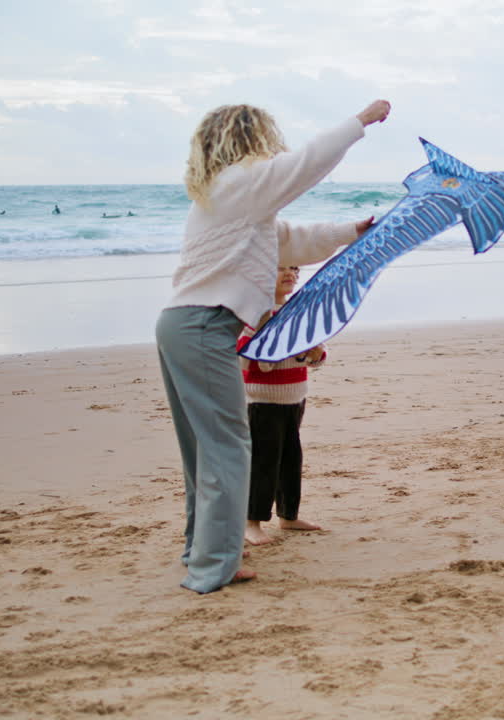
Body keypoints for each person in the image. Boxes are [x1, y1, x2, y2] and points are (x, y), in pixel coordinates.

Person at [155, 99, 391, 593]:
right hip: (202, 327)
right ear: (247, 140)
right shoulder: (241, 186)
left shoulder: (228, 198)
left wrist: (352, 232)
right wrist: (359, 123)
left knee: (204, 450)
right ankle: (215, 565)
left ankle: (201, 550)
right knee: (227, 448)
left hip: (183, 326)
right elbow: (304, 164)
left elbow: (288, 240)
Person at [236, 265, 331, 546]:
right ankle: (251, 521)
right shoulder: (254, 313)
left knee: (291, 459)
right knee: (263, 461)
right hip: (263, 399)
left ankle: (289, 515)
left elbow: (319, 353)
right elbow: (246, 358)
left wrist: (315, 353)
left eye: (294, 269)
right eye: (281, 269)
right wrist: (279, 348)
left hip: (294, 395)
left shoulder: (299, 311)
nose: (290, 273)